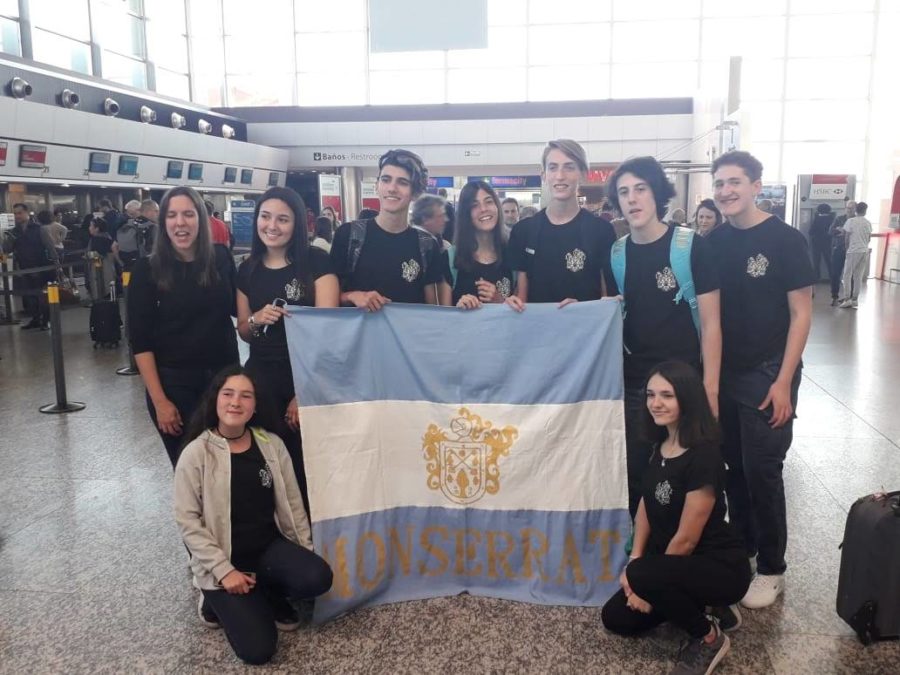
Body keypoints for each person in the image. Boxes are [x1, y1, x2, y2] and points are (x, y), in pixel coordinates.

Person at [708, 151, 814, 609]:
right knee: (732, 466)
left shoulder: (786, 240)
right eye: (719, 184)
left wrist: (784, 380)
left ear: (756, 185)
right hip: (727, 372)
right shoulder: (712, 243)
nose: (726, 191)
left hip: (769, 372)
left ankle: (772, 567)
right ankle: (744, 548)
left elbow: (802, 312)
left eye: (734, 182)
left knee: (763, 471)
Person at [175, 365, 333, 665]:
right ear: (215, 400)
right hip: (224, 560)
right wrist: (224, 571)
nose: (236, 402)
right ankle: (212, 601)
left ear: (255, 405)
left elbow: (293, 505)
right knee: (259, 650)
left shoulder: (271, 444)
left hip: (267, 549)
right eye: (228, 394)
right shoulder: (196, 453)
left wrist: (305, 553)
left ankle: (264, 590)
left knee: (317, 577)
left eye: (246, 396)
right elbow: (188, 522)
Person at [601, 361, 751, 675]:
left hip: (718, 564)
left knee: (644, 577)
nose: (656, 403)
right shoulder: (661, 443)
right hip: (678, 564)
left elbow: (686, 539)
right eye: (651, 394)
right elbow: (645, 503)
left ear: (687, 399)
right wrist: (635, 559)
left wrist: (648, 582)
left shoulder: (704, 455)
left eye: (667, 395)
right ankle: (709, 608)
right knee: (616, 618)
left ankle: (709, 638)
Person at [607, 156, 722, 518]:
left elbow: (712, 323)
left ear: (657, 193)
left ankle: (689, 555)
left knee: (689, 472)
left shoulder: (691, 247)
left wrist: (710, 389)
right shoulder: (617, 253)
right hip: (635, 383)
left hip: (683, 381)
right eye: (624, 192)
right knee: (637, 472)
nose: (632, 199)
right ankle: (640, 555)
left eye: (640, 189)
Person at [236, 186, 339, 507]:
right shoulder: (247, 268)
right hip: (261, 379)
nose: (272, 226)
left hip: (305, 376)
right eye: (265, 217)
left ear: (297, 224)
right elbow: (244, 331)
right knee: (267, 464)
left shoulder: (317, 263)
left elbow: (327, 336)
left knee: (306, 465)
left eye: (283, 219)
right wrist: (255, 319)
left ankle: (311, 536)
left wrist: (303, 392)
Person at [127, 186, 239, 468]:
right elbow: (140, 342)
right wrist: (160, 401)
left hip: (223, 382)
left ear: (201, 219)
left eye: (189, 214)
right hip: (175, 385)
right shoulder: (146, 270)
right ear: (163, 222)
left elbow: (242, 309)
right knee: (191, 473)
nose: (181, 222)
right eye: (173, 215)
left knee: (228, 468)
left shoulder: (221, 258)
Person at [507, 139, 617, 310]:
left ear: (582, 173)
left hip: (585, 333)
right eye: (553, 167)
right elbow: (521, 298)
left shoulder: (601, 231)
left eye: (569, 167)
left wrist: (581, 309)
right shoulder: (524, 231)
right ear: (543, 175)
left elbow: (607, 302)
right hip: (537, 332)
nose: (560, 175)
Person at [330, 149, 443, 311]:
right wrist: (353, 296)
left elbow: (431, 311)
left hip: (406, 336)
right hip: (359, 335)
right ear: (377, 186)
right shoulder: (349, 235)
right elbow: (327, 300)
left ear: (415, 193)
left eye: (402, 182)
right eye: (386, 180)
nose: (392, 188)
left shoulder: (426, 245)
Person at [453, 180, 514, 309]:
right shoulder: (450, 257)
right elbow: (441, 316)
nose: (484, 209)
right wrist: (458, 309)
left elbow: (521, 311)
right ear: (466, 214)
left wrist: (500, 301)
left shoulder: (513, 252)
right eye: (474, 205)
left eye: (489, 201)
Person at [2, 204, 56, 330]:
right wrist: (7, 240)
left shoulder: (39, 229)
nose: (17, 216)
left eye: (20, 213)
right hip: (25, 268)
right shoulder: (14, 232)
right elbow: (7, 249)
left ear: (27, 212)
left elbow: (50, 247)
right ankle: (36, 319)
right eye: (15, 213)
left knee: (43, 297)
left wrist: (56, 265)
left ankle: (46, 320)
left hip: (41, 268)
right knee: (30, 297)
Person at [411, 193, 453, 305]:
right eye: (441, 216)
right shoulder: (428, 243)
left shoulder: (408, 237)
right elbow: (432, 287)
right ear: (425, 219)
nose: (446, 220)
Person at [838, 201, 872, 309]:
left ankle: (847, 299)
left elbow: (846, 236)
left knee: (847, 275)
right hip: (864, 251)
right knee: (858, 276)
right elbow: (869, 238)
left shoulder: (850, 221)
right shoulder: (868, 223)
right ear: (865, 211)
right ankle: (855, 299)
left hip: (853, 251)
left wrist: (847, 248)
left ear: (856, 210)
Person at [828, 200, 855, 306]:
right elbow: (830, 231)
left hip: (851, 250)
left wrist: (843, 231)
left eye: (851, 208)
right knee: (835, 273)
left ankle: (849, 297)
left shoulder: (857, 221)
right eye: (848, 208)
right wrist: (841, 231)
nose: (849, 210)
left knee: (850, 275)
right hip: (838, 249)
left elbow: (855, 234)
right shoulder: (839, 219)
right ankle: (834, 296)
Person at [86, 218, 119, 301]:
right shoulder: (108, 237)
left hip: (100, 272)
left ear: (97, 229)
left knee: (100, 292)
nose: (89, 228)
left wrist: (87, 255)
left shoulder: (95, 240)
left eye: (91, 226)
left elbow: (94, 255)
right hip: (111, 271)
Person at [808, 203, 834, 282]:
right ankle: (832, 278)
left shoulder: (817, 219)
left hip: (816, 243)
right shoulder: (832, 219)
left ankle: (816, 278)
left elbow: (810, 232)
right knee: (829, 261)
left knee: (816, 262)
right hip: (828, 243)